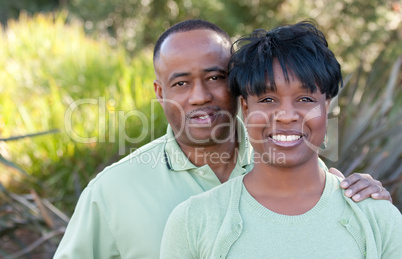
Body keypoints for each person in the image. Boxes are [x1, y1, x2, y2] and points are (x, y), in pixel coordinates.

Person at [54, 20, 391, 259]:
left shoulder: (286, 154)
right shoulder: (113, 191)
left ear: (240, 86)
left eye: (215, 77)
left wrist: (370, 201)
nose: (200, 96)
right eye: (181, 83)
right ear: (160, 92)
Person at [160, 21, 402, 258]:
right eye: (267, 100)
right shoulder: (194, 220)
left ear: (326, 107)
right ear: (245, 108)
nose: (286, 116)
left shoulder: (376, 216)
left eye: (305, 99)